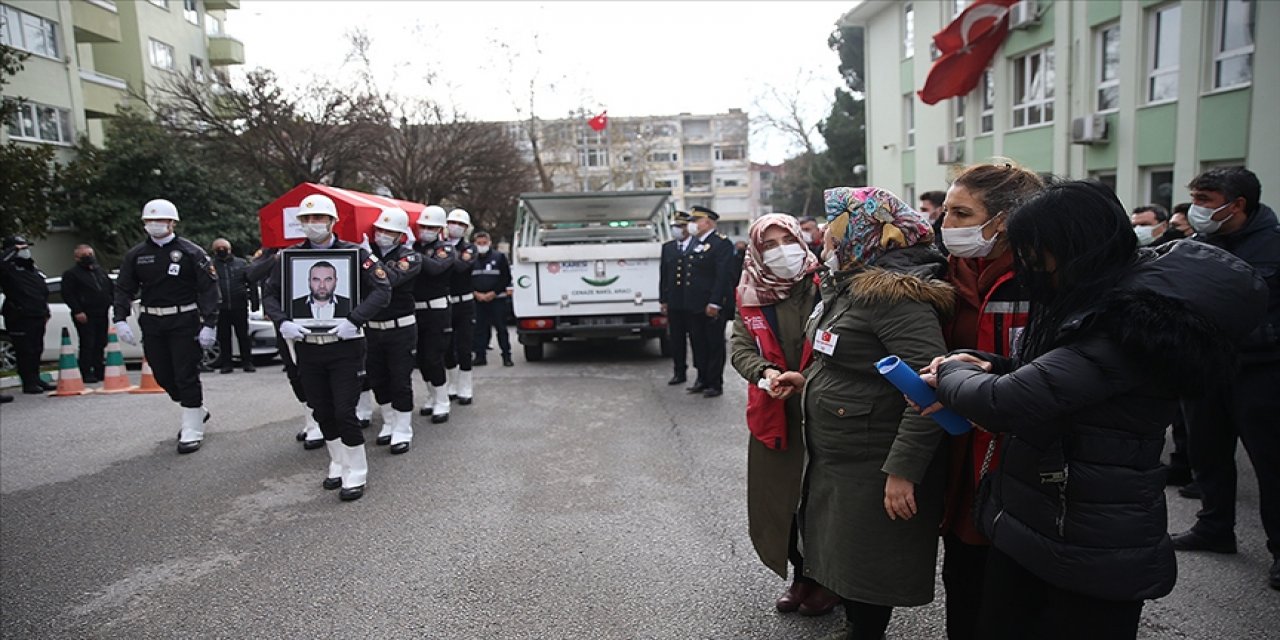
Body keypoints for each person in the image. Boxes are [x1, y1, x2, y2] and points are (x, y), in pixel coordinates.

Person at [925, 180, 1267, 637]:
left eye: (1033, 250)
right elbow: (1049, 375)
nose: (1027, 263)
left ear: (1069, 246)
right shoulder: (1094, 298)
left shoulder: (1128, 324)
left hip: (1089, 540)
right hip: (1048, 519)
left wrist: (948, 374)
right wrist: (990, 362)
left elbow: (1009, 400)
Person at [771, 187, 951, 640]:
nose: (824, 244)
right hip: (841, 454)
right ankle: (857, 625)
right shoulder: (847, 287)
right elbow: (845, 360)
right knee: (842, 551)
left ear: (859, 236)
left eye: (832, 234)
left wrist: (903, 470)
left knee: (867, 559)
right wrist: (805, 381)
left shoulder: (894, 298)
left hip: (874, 458)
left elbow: (929, 387)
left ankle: (865, 631)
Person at [935, 162, 1043, 640]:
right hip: (959, 454)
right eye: (945, 211)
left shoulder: (1042, 277)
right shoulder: (945, 273)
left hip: (1022, 459)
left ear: (1003, 221)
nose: (946, 225)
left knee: (1013, 593)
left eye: (961, 213)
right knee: (962, 576)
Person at [1173, 167, 1280, 590]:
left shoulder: (1274, 246)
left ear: (1237, 205)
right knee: (1208, 452)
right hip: (1205, 369)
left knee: (1271, 464)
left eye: (1205, 200)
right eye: (1194, 199)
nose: (1197, 209)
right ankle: (1215, 528)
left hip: (1262, 371)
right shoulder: (1198, 244)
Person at [728, 214, 840, 617]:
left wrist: (806, 378)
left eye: (786, 240)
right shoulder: (750, 293)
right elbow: (740, 348)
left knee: (825, 499)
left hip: (826, 406)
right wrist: (765, 373)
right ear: (757, 252)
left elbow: (846, 345)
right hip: (777, 409)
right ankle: (801, 576)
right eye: (769, 245)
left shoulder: (828, 284)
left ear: (801, 239)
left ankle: (830, 580)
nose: (781, 251)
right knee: (783, 500)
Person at [261, 193, 390, 501]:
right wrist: (282, 321)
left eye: (318, 218)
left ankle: (356, 470)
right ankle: (338, 461)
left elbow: (382, 289)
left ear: (333, 222)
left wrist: (355, 319)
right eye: (306, 219)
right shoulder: (287, 257)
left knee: (345, 410)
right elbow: (270, 295)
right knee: (322, 410)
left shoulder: (355, 254)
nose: (312, 224)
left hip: (345, 345)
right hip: (307, 345)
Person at [112, 200, 219, 453]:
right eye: (149, 221)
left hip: (184, 319)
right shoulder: (136, 255)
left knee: (185, 372)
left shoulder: (191, 252)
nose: (154, 225)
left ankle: (192, 427)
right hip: (152, 320)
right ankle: (196, 410)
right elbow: (124, 288)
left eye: (160, 220)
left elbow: (208, 289)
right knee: (162, 374)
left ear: (172, 222)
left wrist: (210, 323)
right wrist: (119, 318)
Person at [246, 246, 321, 449]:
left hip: (319, 319)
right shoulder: (271, 253)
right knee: (295, 373)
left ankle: (323, 419)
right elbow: (251, 274)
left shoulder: (314, 247)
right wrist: (276, 258)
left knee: (320, 373)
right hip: (285, 322)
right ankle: (312, 419)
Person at [363, 208, 422, 455]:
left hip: (401, 327)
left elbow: (389, 278)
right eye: (380, 230)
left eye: (389, 232)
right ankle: (388, 421)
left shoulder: (410, 257)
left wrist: (366, 257)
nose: (383, 235)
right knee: (377, 378)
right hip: (372, 328)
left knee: (400, 379)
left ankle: (403, 427)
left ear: (401, 235)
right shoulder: (367, 252)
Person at [682, 205, 735, 398]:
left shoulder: (721, 244)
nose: (692, 225)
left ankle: (714, 382)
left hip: (711, 305)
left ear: (707, 222)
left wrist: (715, 302)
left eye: (695, 220)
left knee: (714, 344)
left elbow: (722, 277)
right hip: (694, 304)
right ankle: (701, 378)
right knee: (698, 343)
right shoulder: (694, 243)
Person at [413, 205, 458, 425]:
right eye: (423, 226)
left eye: (431, 227)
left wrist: (412, 255)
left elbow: (435, 269)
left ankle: (442, 400)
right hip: (416, 310)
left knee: (434, 356)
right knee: (421, 358)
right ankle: (431, 395)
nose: (426, 230)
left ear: (440, 229)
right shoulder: (412, 247)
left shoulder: (445, 249)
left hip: (437, 309)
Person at [0, 235, 52, 394]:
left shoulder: (31, 268)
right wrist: (12, 251)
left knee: (37, 348)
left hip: (37, 313)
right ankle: (28, 382)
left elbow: (41, 290)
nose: (26, 251)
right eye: (21, 248)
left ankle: (35, 378)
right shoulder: (8, 268)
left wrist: (45, 310)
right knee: (25, 350)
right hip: (19, 315)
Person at [61, 244, 114, 385]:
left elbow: (109, 288)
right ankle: (86, 371)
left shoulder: (99, 272)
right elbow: (68, 294)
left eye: (90, 254)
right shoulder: (72, 274)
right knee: (87, 343)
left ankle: (99, 369)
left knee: (101, 341)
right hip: (85, 314)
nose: (89, 258)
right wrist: (77, 310)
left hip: (101, 312)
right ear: (77, 258)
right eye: (85, 256)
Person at [443, 208, 478, 405]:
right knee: (446, 346)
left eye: (460, 224)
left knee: (464, 346)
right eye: (452, 223)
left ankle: (466, 386)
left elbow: (461, 267)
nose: (455, 227)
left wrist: (446, 255)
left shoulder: (469, 249)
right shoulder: (440, 246)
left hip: (464, 303)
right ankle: (453, 383)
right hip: (446, 303)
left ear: (465, 228)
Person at [210, 238, 259, 373]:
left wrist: (255, 303)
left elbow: (252, 283)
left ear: (229, 249)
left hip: (239, 304)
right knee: (223, 337)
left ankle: (247, 362)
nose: (221, 251)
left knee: (243, 335)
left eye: (223, 248)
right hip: (221, 307)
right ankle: (227, 363)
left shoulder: (241, 264)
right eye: (218, 248)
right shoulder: (212, 266)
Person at [659, 211, 694, 384]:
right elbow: (664, 276)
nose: (677, 230)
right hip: (674, 302)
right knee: (676, 339)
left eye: (680, 226)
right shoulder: (668, 247)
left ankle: (702, 374)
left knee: (696, 340)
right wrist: (663, 300)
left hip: (693, 302)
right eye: (675, 227)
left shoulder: (697, 245)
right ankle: (679, 371)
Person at [470, 231, 513, 367]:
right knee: (479, 329)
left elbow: (506, 278)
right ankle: (480, 356)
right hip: (478, 299)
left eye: (484, 243)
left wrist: (493, 293)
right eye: (479, 243)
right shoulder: (470, 259)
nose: (482, 245)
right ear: (474, 244)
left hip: (497, 299)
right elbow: (465, 279)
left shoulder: (499, 257)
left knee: (501, 329)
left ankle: (506, 356)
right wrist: (475, 293)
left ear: (490, 243)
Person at [920, 190, 949, 256]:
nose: (921, 213)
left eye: (925, 210)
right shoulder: (931, 229)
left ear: (941, 209)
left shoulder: (945, 231)